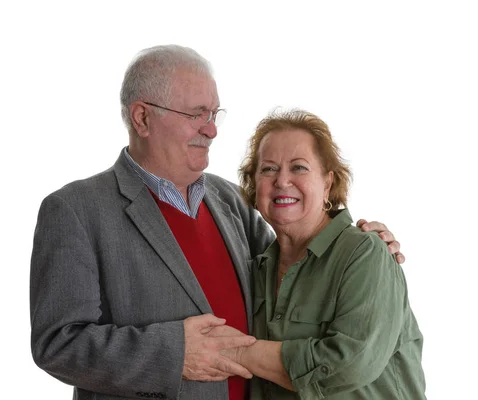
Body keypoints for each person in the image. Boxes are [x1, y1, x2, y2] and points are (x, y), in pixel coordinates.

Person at [29, 45, 405, 400]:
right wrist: (174, 353)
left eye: (213, 114)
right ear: (143, 118)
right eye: (196, 114)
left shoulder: (228, 199)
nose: (211, 130)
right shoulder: (75, 210)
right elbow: (58, 343)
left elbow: (293, 268)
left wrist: (361, 244)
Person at [223, 109, 426, 399]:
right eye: (268, 169)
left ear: (328, 183)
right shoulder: (256, 268)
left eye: (299, 167)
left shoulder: (364, 254)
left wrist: (239, 352)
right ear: (254, 185)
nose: (282, 181)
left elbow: (349, 365)